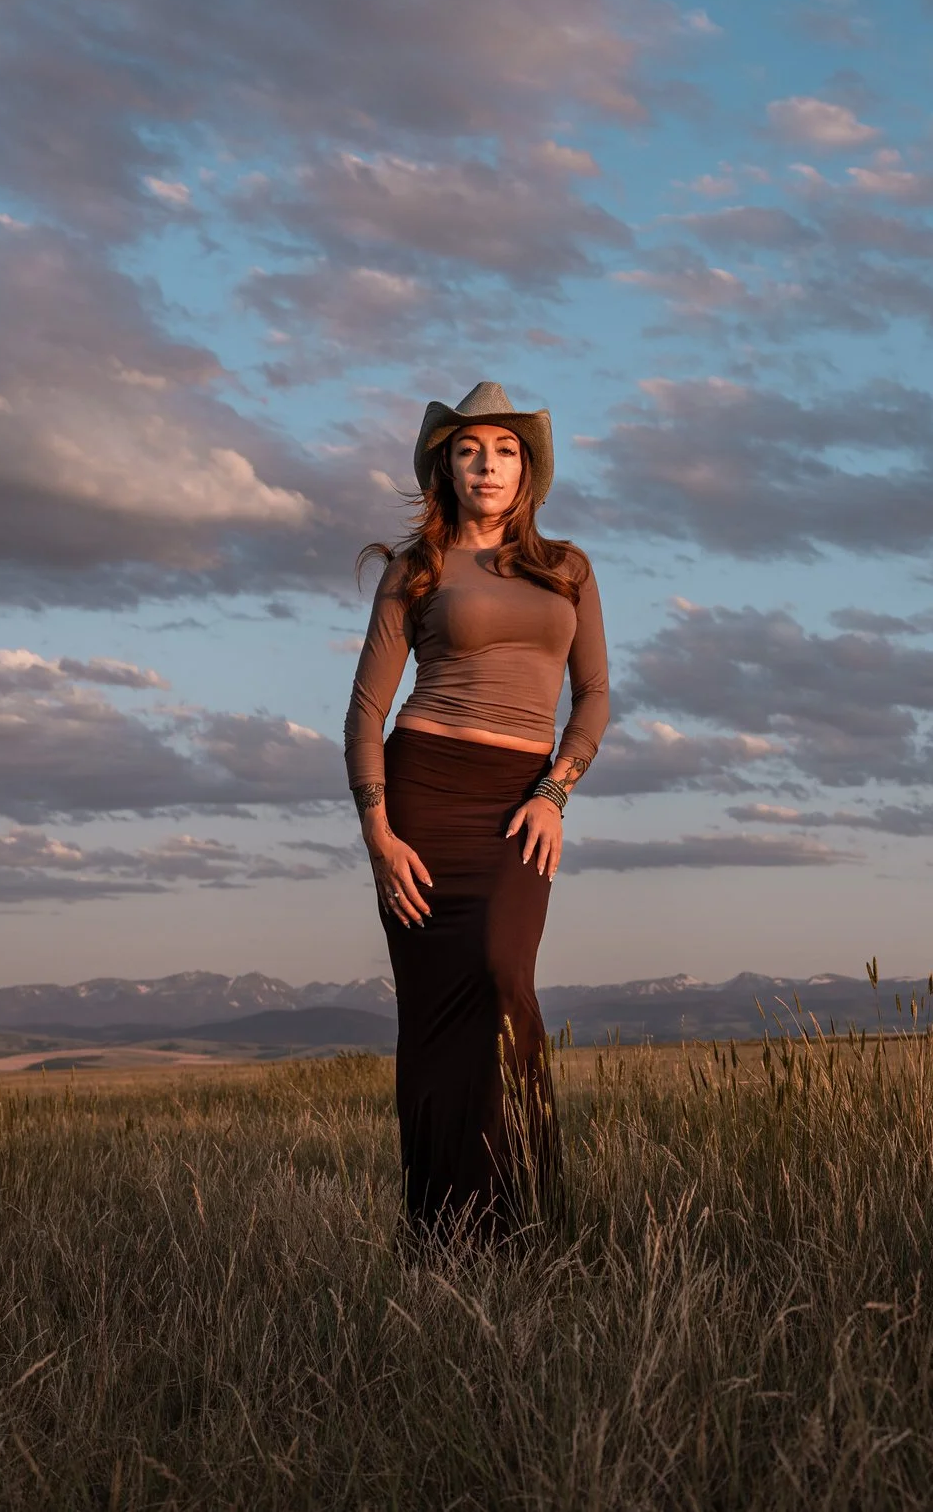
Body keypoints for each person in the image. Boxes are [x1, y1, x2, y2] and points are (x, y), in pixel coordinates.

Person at [344, 381, 608, 1234]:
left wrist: (554, 793)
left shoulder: (568, 568)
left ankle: (526, 1218)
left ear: (527, 470)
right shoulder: (413, 568)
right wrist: (380, 836)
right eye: (467, 449)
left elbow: (595, 696)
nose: (485, 464)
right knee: (432, 1017)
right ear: (444, 468)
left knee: (503, 978)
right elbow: (364, 714)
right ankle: (441, 1233)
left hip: (519, 805)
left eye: (502, 449)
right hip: (424, 794)